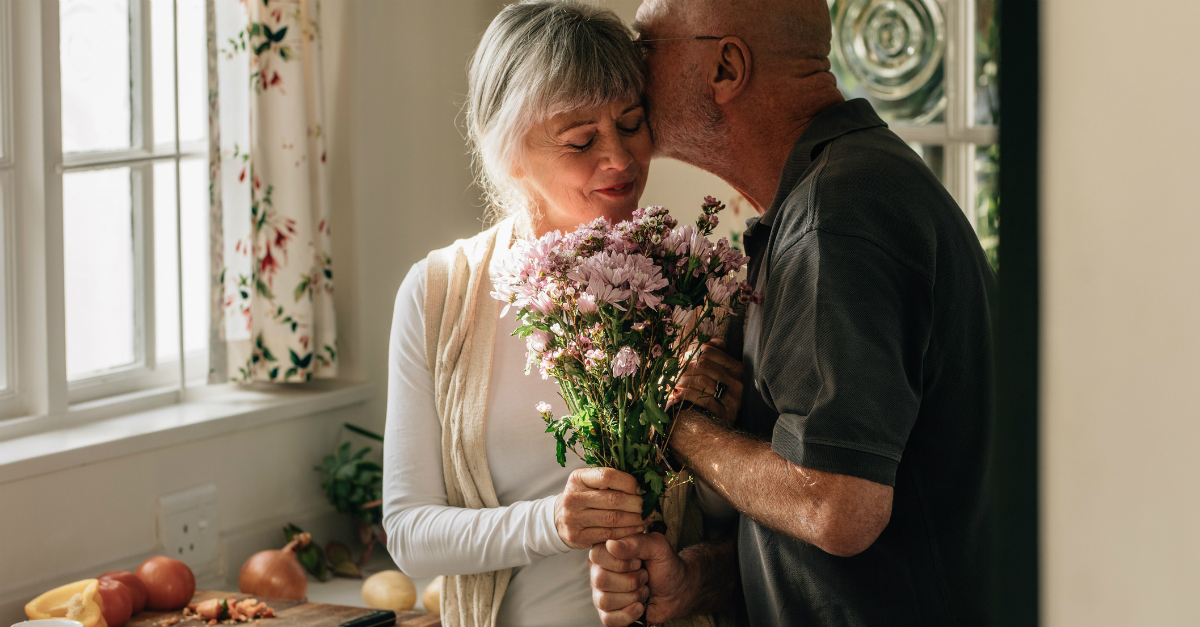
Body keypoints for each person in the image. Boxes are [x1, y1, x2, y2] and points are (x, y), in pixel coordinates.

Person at [589, 0, 996, 626]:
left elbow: (837, 509)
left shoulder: (837, 217)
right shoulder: (836, 194)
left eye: (648, 47)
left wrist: (679, 425)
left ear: (725, 67)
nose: (631, 70)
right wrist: (698, 583)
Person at [382, 3, 714, 627]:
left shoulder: (697, 292)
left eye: (633, 123)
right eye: (581, 140)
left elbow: (740, 530)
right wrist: (554, 522)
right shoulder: (439, 294)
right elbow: (408, 534)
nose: (618, 157)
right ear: (508, 151)